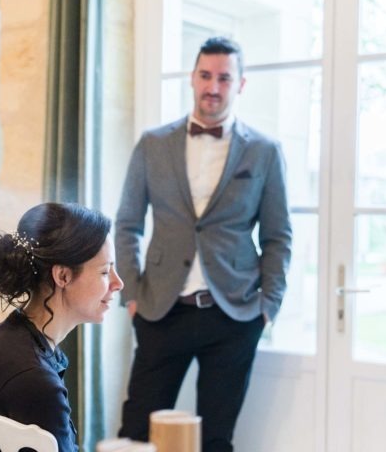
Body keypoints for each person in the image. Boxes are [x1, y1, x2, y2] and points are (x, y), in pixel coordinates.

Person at [115, 37, 292, 452]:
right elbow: (126, 223)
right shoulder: (153, 144)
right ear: (192, 78)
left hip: (233, 315)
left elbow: (278, 235)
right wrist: (133, 297)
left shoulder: (265, 151)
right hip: (161, 310)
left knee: (215, 440)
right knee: (136, 433)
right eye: (206, 76)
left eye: (224, 78)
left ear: (240, 85)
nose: (213, 87)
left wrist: (268, 307)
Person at [0, 202, 124, 452]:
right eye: (104, 272)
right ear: (63, 277)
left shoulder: (10, 335)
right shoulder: (35, 380)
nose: (118, 283)